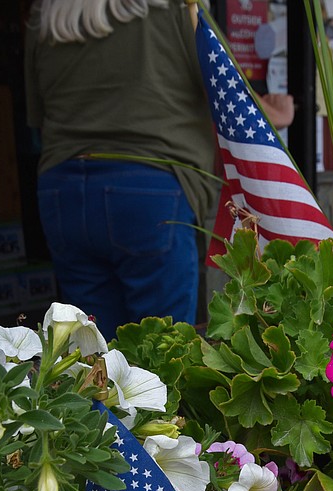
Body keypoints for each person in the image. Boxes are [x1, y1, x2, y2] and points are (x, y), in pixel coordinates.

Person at [25, 0, 218, 340]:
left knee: (95, 357)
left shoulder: (47, 15)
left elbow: (37, 116)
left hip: (64, 190)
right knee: (163, 358)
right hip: (150, 186)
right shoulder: (175, 7)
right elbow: (218, 92)